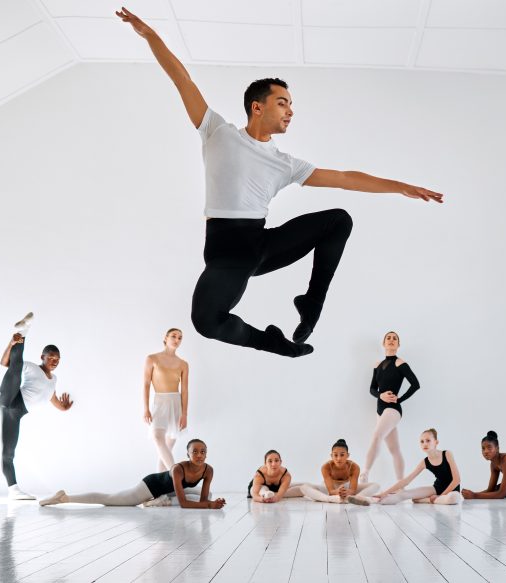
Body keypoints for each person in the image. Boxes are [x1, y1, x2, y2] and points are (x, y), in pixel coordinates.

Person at [115, 7, 444, 358]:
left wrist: (400, 186)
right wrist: (150, 35)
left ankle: (312, 303)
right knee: (206, 322)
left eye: (291, 105)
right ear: (257, 107)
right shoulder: (217, 132)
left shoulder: (285, 164)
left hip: (261, 244)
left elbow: (346, 179)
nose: (290, 111)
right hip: (227, 254)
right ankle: (273, 342)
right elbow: (183, 79)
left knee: (339, 220)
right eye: (282, 102)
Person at [0, 313, 73, 500]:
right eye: (51, 358)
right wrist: (11, 344)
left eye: (57, 359)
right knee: (16, 367)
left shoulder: (53, 380)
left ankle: (13, 490)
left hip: (16, 413)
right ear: (43, 357)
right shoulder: (32, 367)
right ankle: (22, 332)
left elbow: (51, 398)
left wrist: (63, 407)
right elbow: (4, 363)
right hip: (10, 398)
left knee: (8, 453)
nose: (54, 362)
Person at [39, 438, 226, 508]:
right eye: (195, 452)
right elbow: (185, 504)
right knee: (110, 499)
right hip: (150, 486)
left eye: (203, 452)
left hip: (167, 491)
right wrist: (210, 506)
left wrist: (211, 502)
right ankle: (65, 498)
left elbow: (202, 499)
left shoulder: (208, 470)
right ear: (187, 454)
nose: (199, 455)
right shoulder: (178, 469)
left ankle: (161, 501)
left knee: (208, 494)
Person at [361, 331, 419, 483]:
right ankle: (401, 483)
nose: (391, 340)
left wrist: (399, 399)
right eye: (388, 338)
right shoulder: (378, 365)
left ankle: (364, 474)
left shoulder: (400, 363)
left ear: (398, 345)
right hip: (379, 409)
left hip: (393, 409)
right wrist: (380, 395)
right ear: (383, 343)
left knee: (376, 435)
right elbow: (372, 389)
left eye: (395, 339)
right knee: (394, 449)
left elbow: (415, 384)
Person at [372, 428, 462, 505]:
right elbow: (406, 481)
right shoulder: (424, 462)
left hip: (452, 490)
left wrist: (441, 495)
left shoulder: (447, 454)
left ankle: (429, 500)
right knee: (405, 494)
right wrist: (385, 493)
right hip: (436, 488)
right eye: (422, 442)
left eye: (428, 440)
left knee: (453, 498)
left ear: (436, 442)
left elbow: (457, 480)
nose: (424, 444)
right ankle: (379, 500)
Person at [143, 328, 189, 471]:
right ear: (166, 337)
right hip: (159, 402)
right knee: (157, 437)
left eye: (180, 338)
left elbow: (185, 390)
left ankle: (161, 491)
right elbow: (146, 385)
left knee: (166, 449)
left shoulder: (183, 364)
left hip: (175, 404)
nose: (177, 340)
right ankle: (176, 477)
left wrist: (184, 414)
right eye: (174, 336)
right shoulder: (152, 359)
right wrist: (146, 408)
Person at [300, 439, 379, 505]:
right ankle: (331, 499)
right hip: (328, 489)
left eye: (342, 455)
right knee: (303, 487)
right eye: (335, 455)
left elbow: (353, 490)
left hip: (347, 488)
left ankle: (358, 498)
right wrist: (337, 492)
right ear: (331, 456)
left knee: (376, 485)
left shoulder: (354, 467)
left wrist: (348, 492)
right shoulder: (325, 467)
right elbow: (330, 491)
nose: (338, 458)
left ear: (347, 455)